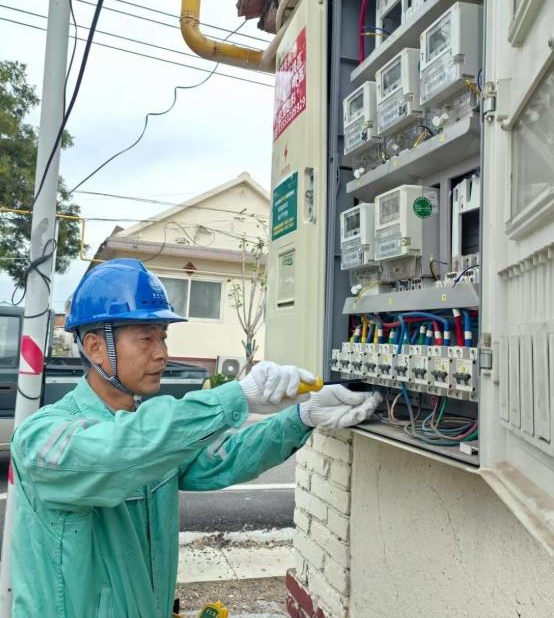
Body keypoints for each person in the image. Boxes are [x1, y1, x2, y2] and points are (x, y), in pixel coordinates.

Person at [9, 259, 380, 617]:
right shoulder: (40, 438)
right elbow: (114, 452)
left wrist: (301, 417)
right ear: (94, 347)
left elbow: (225, 455)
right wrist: (237, 396)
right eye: (146, 338)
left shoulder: (154, 439)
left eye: (163, 337)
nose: (162, 353)